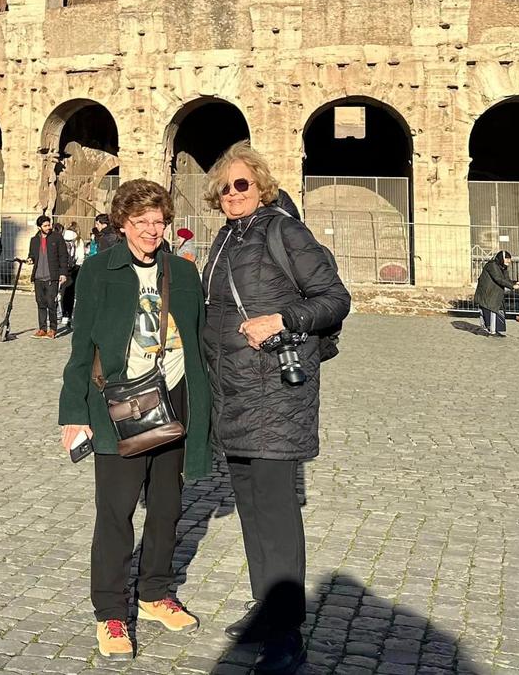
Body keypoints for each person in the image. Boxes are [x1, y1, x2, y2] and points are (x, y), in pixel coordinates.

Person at [202, 142, 351, 675]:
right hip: (233, 395)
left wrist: (282, 320)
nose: (232, 193)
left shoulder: (283, 230)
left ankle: (287, 633)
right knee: (251, 513)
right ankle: (266, 610)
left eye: (242, 184)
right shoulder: (224, 239)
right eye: (224, 186)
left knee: (277, 515)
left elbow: (334, 297)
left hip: (275, 397)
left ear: (261, 186)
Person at [59, 179, 210, 661]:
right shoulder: (100, 271)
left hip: (175, 402)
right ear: (123, 223)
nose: (152, 229)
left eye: (159, 221)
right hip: (118, 406)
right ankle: (111, 614)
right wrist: (72, 414)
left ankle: (153, 595)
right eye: (142, 221)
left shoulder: (183, 273)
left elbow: (202, 339)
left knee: (167, 509)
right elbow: (81, 347)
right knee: (116, 516)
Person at [27, 215, 69, 337]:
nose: (48, 227)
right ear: (40, 227)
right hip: (38, 277)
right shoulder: (34, 240)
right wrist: (30, 259)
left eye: (49, 224)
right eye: (45, 225)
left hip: (52, 276)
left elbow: (63, 256)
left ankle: (53, 329)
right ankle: (42, 328)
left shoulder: (57, 238)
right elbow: (32, 254)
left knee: (51, 303)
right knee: (40, 303)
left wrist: (63, 273)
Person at [473, 250, 519, 337]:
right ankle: (491, 330)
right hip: (488, 293)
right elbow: (498, 279)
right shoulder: (492, 265)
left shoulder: (502, 267)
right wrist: (512, 286)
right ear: (501, 258)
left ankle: (495, 329)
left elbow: (506, 280)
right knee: (491, 310)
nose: (509, 261)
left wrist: (516, 283)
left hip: (494, 292)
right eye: (507, 259)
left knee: (498, 310)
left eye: (509, 259)